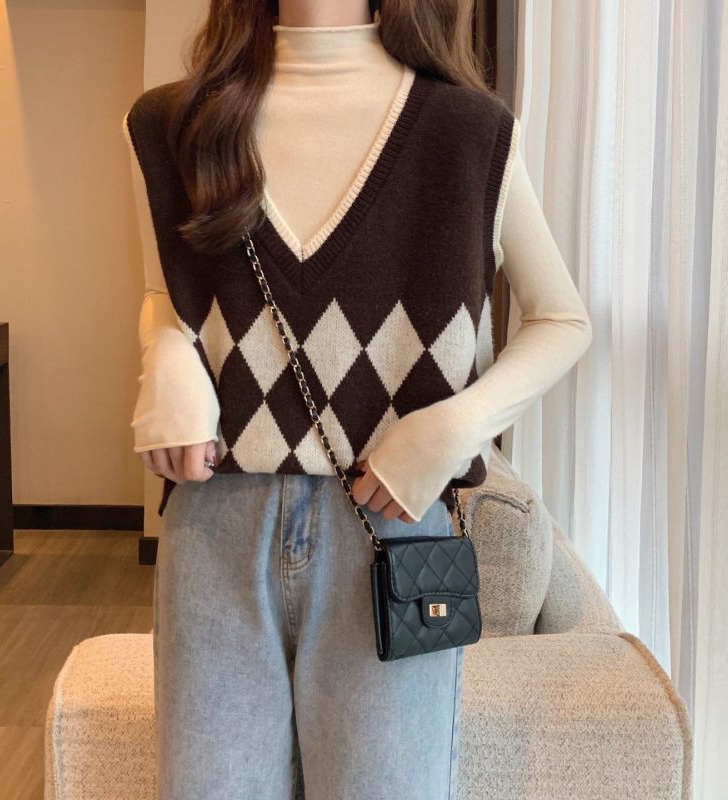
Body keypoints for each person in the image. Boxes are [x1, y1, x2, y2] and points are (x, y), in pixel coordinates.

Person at [122, 1, 592, 798]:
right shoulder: (172, 125)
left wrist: (452, 428)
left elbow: (562, 320)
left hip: (395, 529)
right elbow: (164, 292)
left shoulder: (467, 133)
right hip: (213, 527)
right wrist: (165, 357)